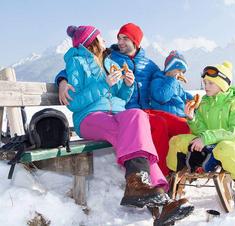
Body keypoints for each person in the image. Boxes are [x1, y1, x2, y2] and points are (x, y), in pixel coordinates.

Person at [64, 25, 194, 225]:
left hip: (115, 113)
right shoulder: (76, 62)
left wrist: (127, 85)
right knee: (134, 138)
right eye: (101, 38)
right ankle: (144, 189)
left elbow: (120, 98)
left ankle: (155, 196)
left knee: (137, 115)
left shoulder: (106, 62)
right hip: (90, 117)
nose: (107, 41)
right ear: (93, 41)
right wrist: (102, 84)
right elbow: (74, 102)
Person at [56, 23, 190, 176]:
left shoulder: (149, 65)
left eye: (125, 38)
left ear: (135, 42)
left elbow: (164, 80)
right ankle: (162, 176)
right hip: (126, 112)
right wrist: (62, 80)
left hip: (144, 110)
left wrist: (184, 97)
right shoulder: (110, 57)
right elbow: (76, 66)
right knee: (158, 125)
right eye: (119, 38)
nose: (120, 42)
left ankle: (184, 168)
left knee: (184, 126)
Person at [166, 61, 235, 200]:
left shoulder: (234, 103)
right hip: (208, 144)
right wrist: (192, 119)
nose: (206, 86)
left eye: (210, 83)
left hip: (230, 144)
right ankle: (172, 180)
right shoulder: (204, 102)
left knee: (226, 148)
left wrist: (207, 138)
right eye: (205, 82)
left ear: (222, 85)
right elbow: (200, 131)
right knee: (177, 141)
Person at [150, 50, 193, 118]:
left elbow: (183, 95)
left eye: (183, 72)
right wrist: (172, 80)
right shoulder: (157, 80)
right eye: (179, 70)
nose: (181, 74)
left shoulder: (175, 83)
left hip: (180, 115)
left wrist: (192, 99)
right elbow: (162, 97)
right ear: (169, 68)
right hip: (165, 116)